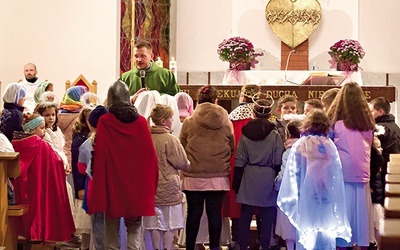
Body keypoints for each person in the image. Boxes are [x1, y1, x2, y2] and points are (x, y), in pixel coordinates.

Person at [87, 80, 158, 249]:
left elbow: (101, 153)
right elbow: (149, 156)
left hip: (114, 183)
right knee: (134, 227)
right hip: (137, 184)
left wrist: (99, 180)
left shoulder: (105, 121)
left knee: (111, 225)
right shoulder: (140, 122)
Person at [277, 109, 352, 250]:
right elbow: (335, 172)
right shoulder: (329, 145)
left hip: (306, 195)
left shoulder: (300, 145)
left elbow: (293, 171)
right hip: (326, 194)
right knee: (325, 229)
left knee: (307, 230)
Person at [180, 85, 234, 250]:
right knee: (214, 214)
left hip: (194, 175)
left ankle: (189, 247)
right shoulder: (226, 122)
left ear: (198, 101)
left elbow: (181, 146)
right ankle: (215, 247)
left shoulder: (189, 121)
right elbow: (232, 146)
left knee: (193, 214)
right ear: (216, 100)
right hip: (218, 176)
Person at [12, 114, 75, 242]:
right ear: (32, 129)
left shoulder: (15, 143)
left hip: (22, 188)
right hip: (40, 186)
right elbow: (56, 161)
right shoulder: (40, 144)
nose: (45, 131)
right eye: (42, 128)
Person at [327, 82, 375, 249]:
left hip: (341, 173)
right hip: (362, 172)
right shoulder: (368, 124)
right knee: (360, 212)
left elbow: (328, 148)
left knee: (343, 212)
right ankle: (361, 242)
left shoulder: (336, 123)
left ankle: (342, 243)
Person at [232, 98, 284, 250]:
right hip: (267, 175)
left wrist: (237, 182)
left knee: (246, 214)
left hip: (249, 174)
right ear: (270, 115)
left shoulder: (245, 132)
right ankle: (265, 245)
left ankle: (243, 245)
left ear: (253, 113)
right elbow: (277, 158)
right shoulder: (274, 134)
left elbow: (239, 159)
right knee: (267, 214)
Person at [144, 104, 190, 250]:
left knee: (155, 223)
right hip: (169, 187)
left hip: (150, 186)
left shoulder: (146, 137)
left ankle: (156, 248)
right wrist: (189, 164)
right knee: (170, 222)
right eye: (170, 118)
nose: (172, 120)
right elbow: (182, 162)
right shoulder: (170, 139)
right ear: (164, 121)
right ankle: (167, 247)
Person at [223, 84, 259, 250]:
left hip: (235, 162)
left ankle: (236, 238)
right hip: (256, 165)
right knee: (258, 201)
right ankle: (259, 239)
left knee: (237, 201)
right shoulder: (260, 118)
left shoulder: (232, 117)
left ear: (242, 97)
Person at [78, 105, 109, 249]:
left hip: (94, 189)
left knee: (98, 229)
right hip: (113, 190)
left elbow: (81, 168)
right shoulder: (115, 140)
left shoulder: (86, 144)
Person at [274, 119, 302, 250]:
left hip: (290, 193)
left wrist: (276, 185)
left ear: (287, 134)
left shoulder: (289, 151)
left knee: (289, 229)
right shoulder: (309, 149)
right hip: (305, 193)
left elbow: (284, 174)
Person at [71, 107, 93, 250]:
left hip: (92, 184)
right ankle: (84, 247)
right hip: (85, 184)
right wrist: (79, 187)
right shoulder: (80, 139)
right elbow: (77, 166)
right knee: (86, 223)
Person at [369, 97, 400, 188]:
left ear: (380, 112)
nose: (369, 114)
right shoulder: (396, 127)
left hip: (383, 168)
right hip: (396, 167)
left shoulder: (379, 128)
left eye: (371, 111)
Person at [369, 136, 384, 249]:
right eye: (378, 147)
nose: (382, 149)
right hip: (374, 200)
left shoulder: (376, 165)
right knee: (375, 224)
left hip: (376, 198)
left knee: (377, 225)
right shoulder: (373, 164)